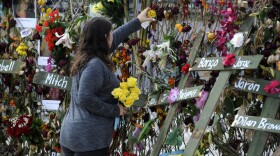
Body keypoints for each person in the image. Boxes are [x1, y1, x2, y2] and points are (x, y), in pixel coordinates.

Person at [60, 8, 154, 156]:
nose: (112, 36)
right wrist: (115, 110)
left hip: (74, 135)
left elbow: (115, 38)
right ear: (104, 37)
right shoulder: (95, 64)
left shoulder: (88, 55)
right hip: (89, 140)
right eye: (110, 33)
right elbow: (85, 97)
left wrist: (137, 21)